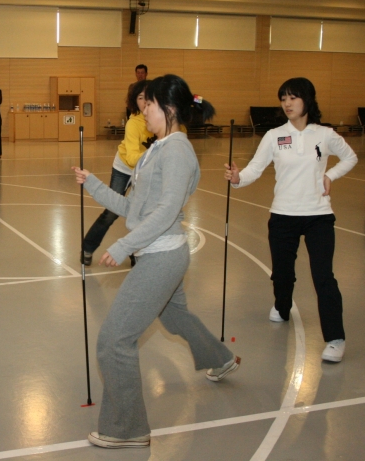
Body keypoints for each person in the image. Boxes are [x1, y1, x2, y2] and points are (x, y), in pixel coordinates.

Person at [73, 74, 239, 450]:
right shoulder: (157, 149)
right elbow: (134, 208)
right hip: (159, 252)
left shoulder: (177, 150)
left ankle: (127, 428)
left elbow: (165, 212)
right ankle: (221, 359)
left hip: (161, 256)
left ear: (170, 108)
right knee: (175, 317)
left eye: (149, 104)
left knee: (114, 340)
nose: (143, 111)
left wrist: (123, 245)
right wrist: (94, 184)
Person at [224, 77, 357, 363]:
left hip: (318, 216)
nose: (287, 103)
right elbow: (254, 169)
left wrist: (330, 175)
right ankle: (282, 306)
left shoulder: (325, 134)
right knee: (282, 274)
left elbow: (350, 157)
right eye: (283, 98)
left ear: (307, 100)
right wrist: (237, 178)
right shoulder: (274, 136)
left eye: (293, 97)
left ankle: (335, 338)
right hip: (283, 215)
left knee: (324, 277)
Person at [82, 80, 153, 267]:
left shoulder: (160, 118)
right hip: (125, 167)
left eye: (148, 97)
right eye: (140, 98)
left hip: (145, 170)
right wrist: (155, 157)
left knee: (142, 212)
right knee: (111, 212)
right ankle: (87, 247)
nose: (145, 101)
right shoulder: (134, 123)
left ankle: (136, 252)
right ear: (134, 100)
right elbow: (131, 158)